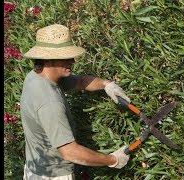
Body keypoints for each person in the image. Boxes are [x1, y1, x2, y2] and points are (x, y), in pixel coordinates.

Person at [20, 24, 130, 179]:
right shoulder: (49, 102)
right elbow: (70, 152)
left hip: (35, 169)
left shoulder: (36, 76)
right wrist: (112, 159)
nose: (72, 60)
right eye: (66, 57)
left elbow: (79, 82)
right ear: (48, 58)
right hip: (53, 176)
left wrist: (107, 85)